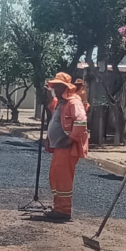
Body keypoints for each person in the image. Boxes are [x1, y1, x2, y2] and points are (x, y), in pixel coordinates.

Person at [43, 71, 89, 221]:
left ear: (65, 87)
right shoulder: (62, 102)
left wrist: (71, 139)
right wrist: (48, 93)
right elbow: (52, 105)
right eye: (54, 86)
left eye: (57, 86)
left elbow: (81, 121)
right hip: (59, 148)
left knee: (62, 179)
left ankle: (63, 210)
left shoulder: (73, 102)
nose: (55, 88)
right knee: (55, 177)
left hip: (67, 148)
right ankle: (58, 207)